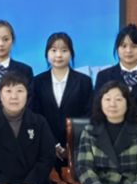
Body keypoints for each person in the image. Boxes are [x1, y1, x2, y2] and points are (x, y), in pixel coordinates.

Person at [0, 71, 55, 184]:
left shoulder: (39, 123)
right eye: (8, 91)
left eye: (19, 91)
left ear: (27, 95)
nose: (14, 96)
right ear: (0, 95)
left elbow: (47, 158)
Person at [31, 32, 93, 165]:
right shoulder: (37, 82)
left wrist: (70, 143)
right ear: (47, 54)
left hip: (77, 148)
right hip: (44, 148)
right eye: (53, 50)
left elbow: (89, 115)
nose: (58, 55)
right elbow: (35, 115)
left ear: (71, 53)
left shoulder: (84, 81)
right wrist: (53, 144)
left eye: (64, 50)